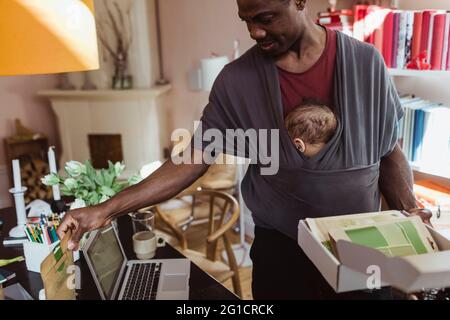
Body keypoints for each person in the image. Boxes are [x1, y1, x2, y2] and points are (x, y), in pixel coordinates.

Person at [58, 0, 431, 299]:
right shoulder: (237, 80)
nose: (255, 31)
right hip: (282, 253)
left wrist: (409, 215)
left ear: (299, 2)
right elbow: (192, 159)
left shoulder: (366, 63)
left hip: (363, 245)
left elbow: (390, 150)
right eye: (246, 20)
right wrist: (106, 209)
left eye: (265, 17)